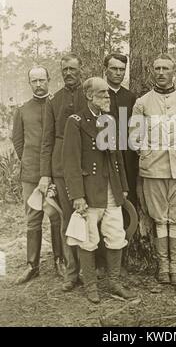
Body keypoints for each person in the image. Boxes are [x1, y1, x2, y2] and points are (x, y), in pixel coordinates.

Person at [130, 54, 176, 286]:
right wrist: (146, 153)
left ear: (174, 71)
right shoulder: (143, 102)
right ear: (152, 71)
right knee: (160, 219)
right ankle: (163, 267)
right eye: (157, 68)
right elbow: (134, 136)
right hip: (154, 170)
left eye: (166, 68)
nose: (161, 72)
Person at [62, 77, 136, 303]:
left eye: (108, 93)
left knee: (116, 235)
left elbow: (117, 157)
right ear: (89, 96)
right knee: (88, 239)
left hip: (112, 190)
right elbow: (70, 162)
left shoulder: (109, 120)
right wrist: (77, 196)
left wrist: (123, 186)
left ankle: (114, 282)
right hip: (89, 190)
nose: (107, 97)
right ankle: (91, 285)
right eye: (102, 93)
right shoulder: (75, 121)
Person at [39, 53, 87, 292]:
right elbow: (47, 141)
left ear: (80, 70)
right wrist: (45, 174)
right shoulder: (53, 101)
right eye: (65, 69)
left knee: (89, 216)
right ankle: (71, 272)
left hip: (87, 166)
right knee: (67, 219)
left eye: (72, 69)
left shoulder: (89, 95)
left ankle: (90, 270)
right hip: (60, 168)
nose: (68, 73)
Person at [12, 66, 64, 284]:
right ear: (29, 83)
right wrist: (31, 163)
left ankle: (60, 261)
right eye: (34, 81)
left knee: (55, 216)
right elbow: (18, 141)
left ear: (49, 80)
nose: (39, 84)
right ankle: (32, 265)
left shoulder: (56, 106)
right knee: (33, 218)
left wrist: (50, 170)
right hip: (31, 174)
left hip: (54, 172)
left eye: (42, 80)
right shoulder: (22, 110)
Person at [104, 53, 138, 206]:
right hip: (105, 154)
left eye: (122, 69)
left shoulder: (130, 97)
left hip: (127, 155)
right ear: (105, 70)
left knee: (129, 195)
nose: (118, 73)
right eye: (114, 69)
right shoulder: (100, 94)